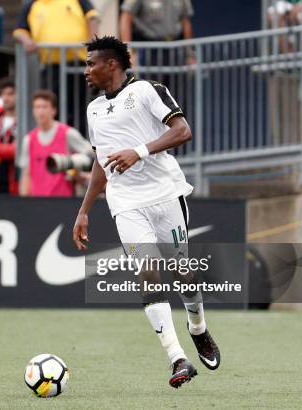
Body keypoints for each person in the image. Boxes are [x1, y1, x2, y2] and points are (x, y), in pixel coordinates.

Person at [74, 36, 220, 388]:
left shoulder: (148, 91)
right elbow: (101, 161)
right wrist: (84, 210)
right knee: (148, 272)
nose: (86, 70)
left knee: (182, 273)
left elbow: (182, 130)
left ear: (112, 64)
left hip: (166, 195)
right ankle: (177, 358)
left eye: (91, 63)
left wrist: (139, 151)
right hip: (125, 203)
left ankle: (197, 327)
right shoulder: (94, 109)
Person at [14, 0, 100, 134]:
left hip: (78, 65)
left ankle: (81, 149)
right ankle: (55, 147)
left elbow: (92, 17)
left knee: (80, 109)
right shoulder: (31, 4)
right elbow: (19, 31)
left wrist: (93, 42)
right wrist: (27, 40)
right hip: (50, 66)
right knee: (52, 108)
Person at [19, 89, 93, 197]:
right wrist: (23, 202)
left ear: (53, 110)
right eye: (37, 107)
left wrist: (80, 173)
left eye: (44, 107)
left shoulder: (68, 133)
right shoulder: (28, 139)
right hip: (36, 202)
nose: (40, 111)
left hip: (63, 201)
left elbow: (92, 154)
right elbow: (26, 174)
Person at [119, 0, 196, 72]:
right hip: (149, 50)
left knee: (178, 84)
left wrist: (189, 54)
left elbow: (186, 23)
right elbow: (126, 18)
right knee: (150, 85)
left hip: (175, 49)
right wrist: (128, 52)